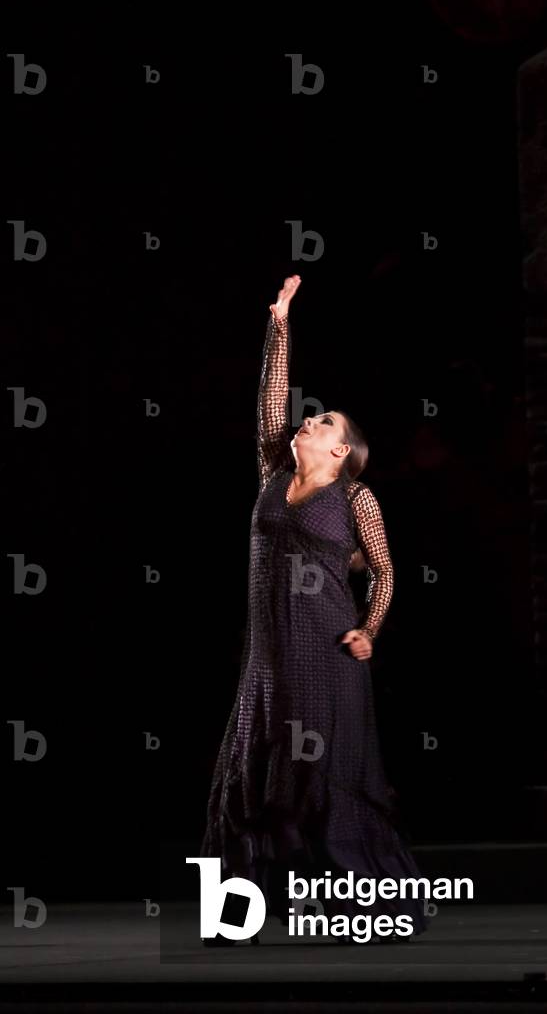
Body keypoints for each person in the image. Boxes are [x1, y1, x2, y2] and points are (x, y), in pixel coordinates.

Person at [199, 275, 430, 943]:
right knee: (261, 769)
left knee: (327, 774)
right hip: (268, 656)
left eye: (325, 422)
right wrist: (279, 325)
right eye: (313, 415)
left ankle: (362, 905)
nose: (311, 419)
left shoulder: (357, 499)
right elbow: (271, 400)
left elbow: (384, 570)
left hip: (328, 653)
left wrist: (369, 627)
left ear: (342, 451)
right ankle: (251, 910)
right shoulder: (274, 474)